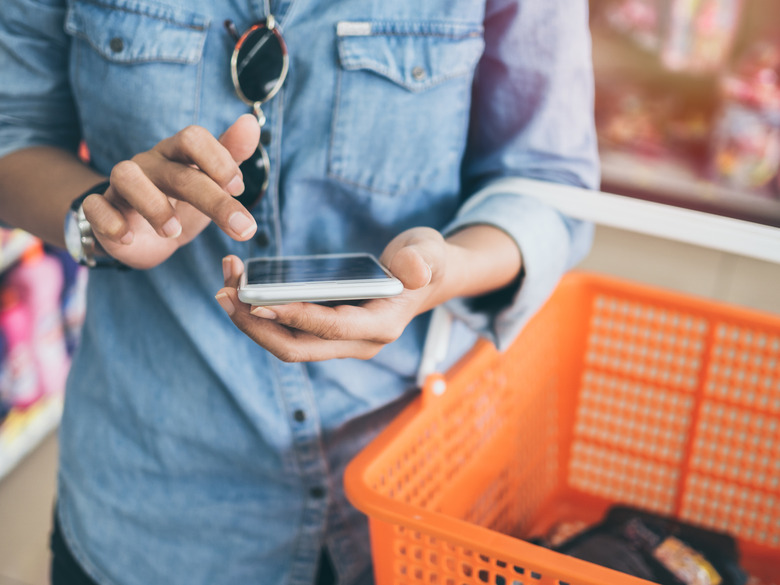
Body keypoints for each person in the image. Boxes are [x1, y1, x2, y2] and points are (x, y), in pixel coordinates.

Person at [0, 0, 599, 583]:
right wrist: (98, 222)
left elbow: (547, 180)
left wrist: (442, 271)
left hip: (415, 489)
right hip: (151, 501)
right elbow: (13, 132)